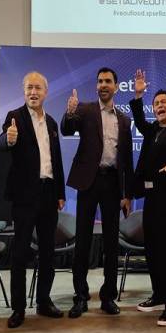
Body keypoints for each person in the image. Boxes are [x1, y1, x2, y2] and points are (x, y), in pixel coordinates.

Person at [61, 67, 133, 317]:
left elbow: (126, 160)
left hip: (113, 184)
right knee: (82, 240)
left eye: (108, 81)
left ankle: (108, 297)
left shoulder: (124, 119)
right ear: (97, 86)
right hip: (88, 183)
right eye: (100, 81)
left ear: (116, 86)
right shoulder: (85, 110)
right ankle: (80, 296)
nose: (103, 85)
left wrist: (127, 193)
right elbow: (67, 130)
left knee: (111, 243)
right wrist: (69, 112)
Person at [0, 72, 66, 328]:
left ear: (46, 92)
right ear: (23, 91)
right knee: (20, 253)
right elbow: (6, 141)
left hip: (49, 193)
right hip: (25, 196)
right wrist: (9, 139)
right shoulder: (14, 117)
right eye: (29, 88)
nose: (33, 92)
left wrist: (60, 192)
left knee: (48, 251)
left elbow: (56, 159)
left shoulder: (51, 122)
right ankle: (18, 309)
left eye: (37, 88)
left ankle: (44, 301)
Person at [129, 69, 166, 326]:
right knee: (152, 249)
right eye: (156, 104)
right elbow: (140, 120)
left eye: (164, 102)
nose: (159, 106)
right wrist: (139, 95)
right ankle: (158, 294)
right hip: (150, 197)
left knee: (164, 251)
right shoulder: (153, 128)